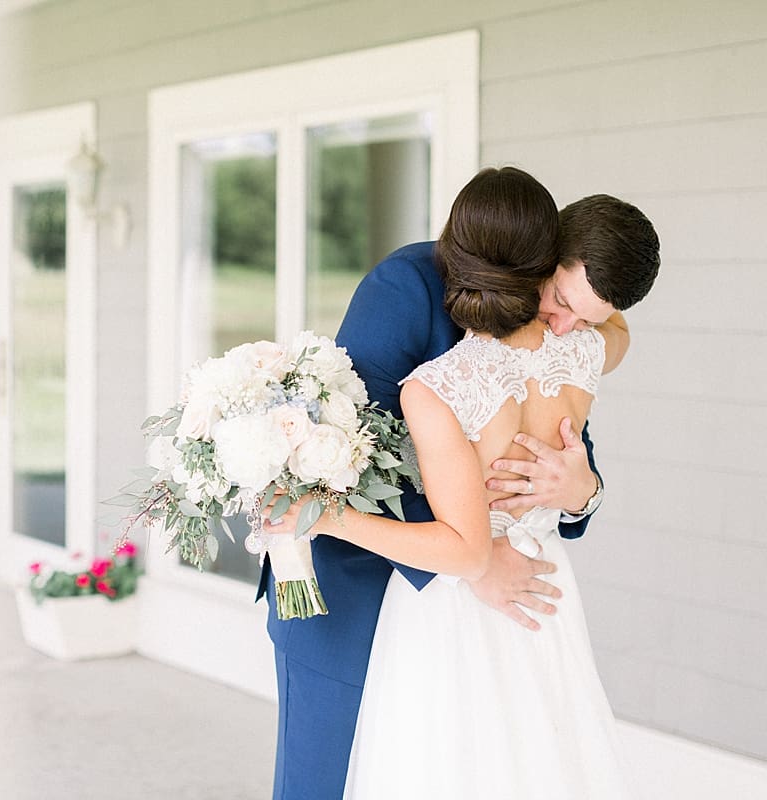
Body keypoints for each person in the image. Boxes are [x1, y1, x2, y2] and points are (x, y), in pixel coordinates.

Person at [258, 168, 660, 799]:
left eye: (578, 317)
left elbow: (564, 444)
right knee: (325, 784)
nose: (559, 326)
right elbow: (349, 450)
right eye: (560, 301)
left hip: (493, 606)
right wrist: (475, 556)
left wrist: (583, 491)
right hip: (357, 590)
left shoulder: (565, 326)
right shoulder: (403, 288)